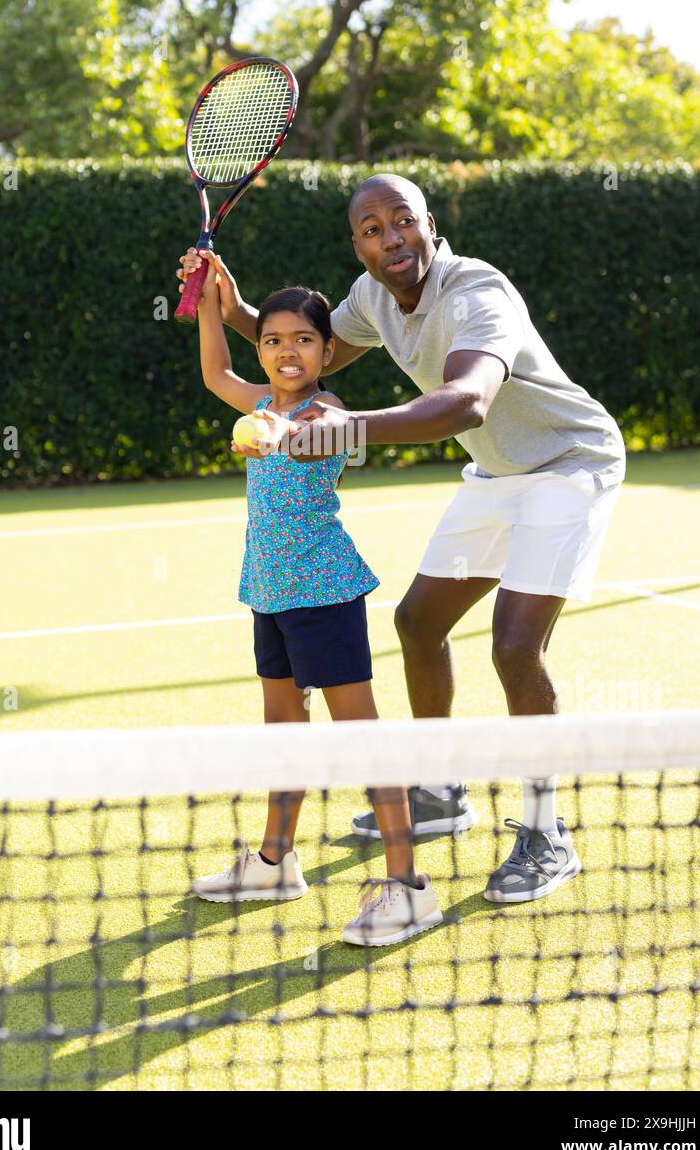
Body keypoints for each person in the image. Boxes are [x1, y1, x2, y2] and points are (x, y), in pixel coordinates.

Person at [177, 173, 626, 905]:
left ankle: (545, 831)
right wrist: (224, 305)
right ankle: (439, 788)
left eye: (401, 221)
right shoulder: (369, 299)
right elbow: (303, 349)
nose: (391, 239)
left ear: (429, 224)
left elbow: (465, 400)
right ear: (356, 244)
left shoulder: (477, 293)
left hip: (568, 465)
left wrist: (347, 429)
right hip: (495, 470)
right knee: (417, 622)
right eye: (371, 229)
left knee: (513, 644)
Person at [186, 247, 442, 945]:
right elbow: (215, 373)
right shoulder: (260, 399)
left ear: (328, 351)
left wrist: (269, 429)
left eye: (302, 339)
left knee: (361, 739)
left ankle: (408, 888)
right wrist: (208, 296)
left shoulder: (325, 408)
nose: (286, 352)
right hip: (267, 591)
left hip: (323, 594)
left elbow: (301, 437)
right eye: (272, 340)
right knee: (283, 733)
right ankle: (274, 862)